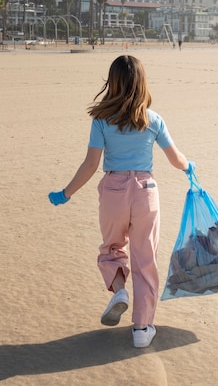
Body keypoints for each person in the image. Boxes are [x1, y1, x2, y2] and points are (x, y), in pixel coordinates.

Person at [49, 55, 194, 348]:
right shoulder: (153, 119)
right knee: (145, 260)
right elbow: (175, 158)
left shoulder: (102, 119)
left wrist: (66, 192)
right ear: (142, 83)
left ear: (112, 83)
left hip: (114, 191)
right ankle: (142, 329)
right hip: (145, 192)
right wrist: (188, 167)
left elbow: (91, 164)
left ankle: (119, 292)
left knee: (111, 249)